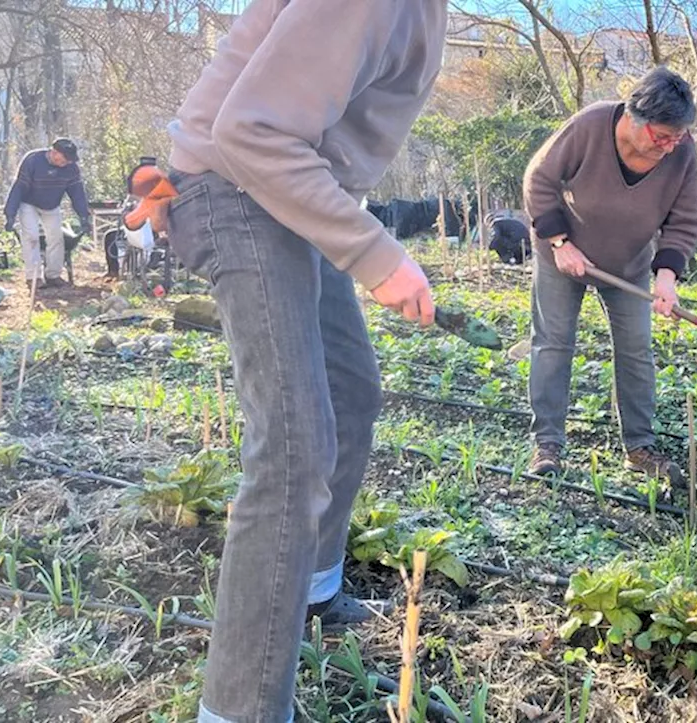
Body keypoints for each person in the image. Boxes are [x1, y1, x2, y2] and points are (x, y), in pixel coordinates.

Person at [162, 2, 447, 721]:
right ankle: (237, 709)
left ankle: (316, 586)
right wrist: (378, 254)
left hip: (287, 195)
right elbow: (252, 130)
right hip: (238, 190)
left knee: (349, 395)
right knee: (293, 448)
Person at [523, 66, 697, 484]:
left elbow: (684, 219)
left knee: (637, 349)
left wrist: (666, 278)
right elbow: (539, 180)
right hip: (565, 255)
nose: (670, 145)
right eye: (662, 137)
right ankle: (547, 443)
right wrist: (559, 243)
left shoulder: (682, 153)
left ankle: (639, 446)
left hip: (630, 263)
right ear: (634, 117)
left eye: (677, 137)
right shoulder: (589, 126)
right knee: (552, 343)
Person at [3, 138, 91, 287]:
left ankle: (53, 275)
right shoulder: (33, 160)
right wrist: (10, 214)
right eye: (65, 158)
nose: (68, 162)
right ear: (54, 152)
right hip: (28, 203)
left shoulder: (71, 169)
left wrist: (83, 215)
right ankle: (33, 277)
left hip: (51, 205)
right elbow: (19, 187)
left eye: (71, 159)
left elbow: (77, 194)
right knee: (31, 237)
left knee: (56, 238)